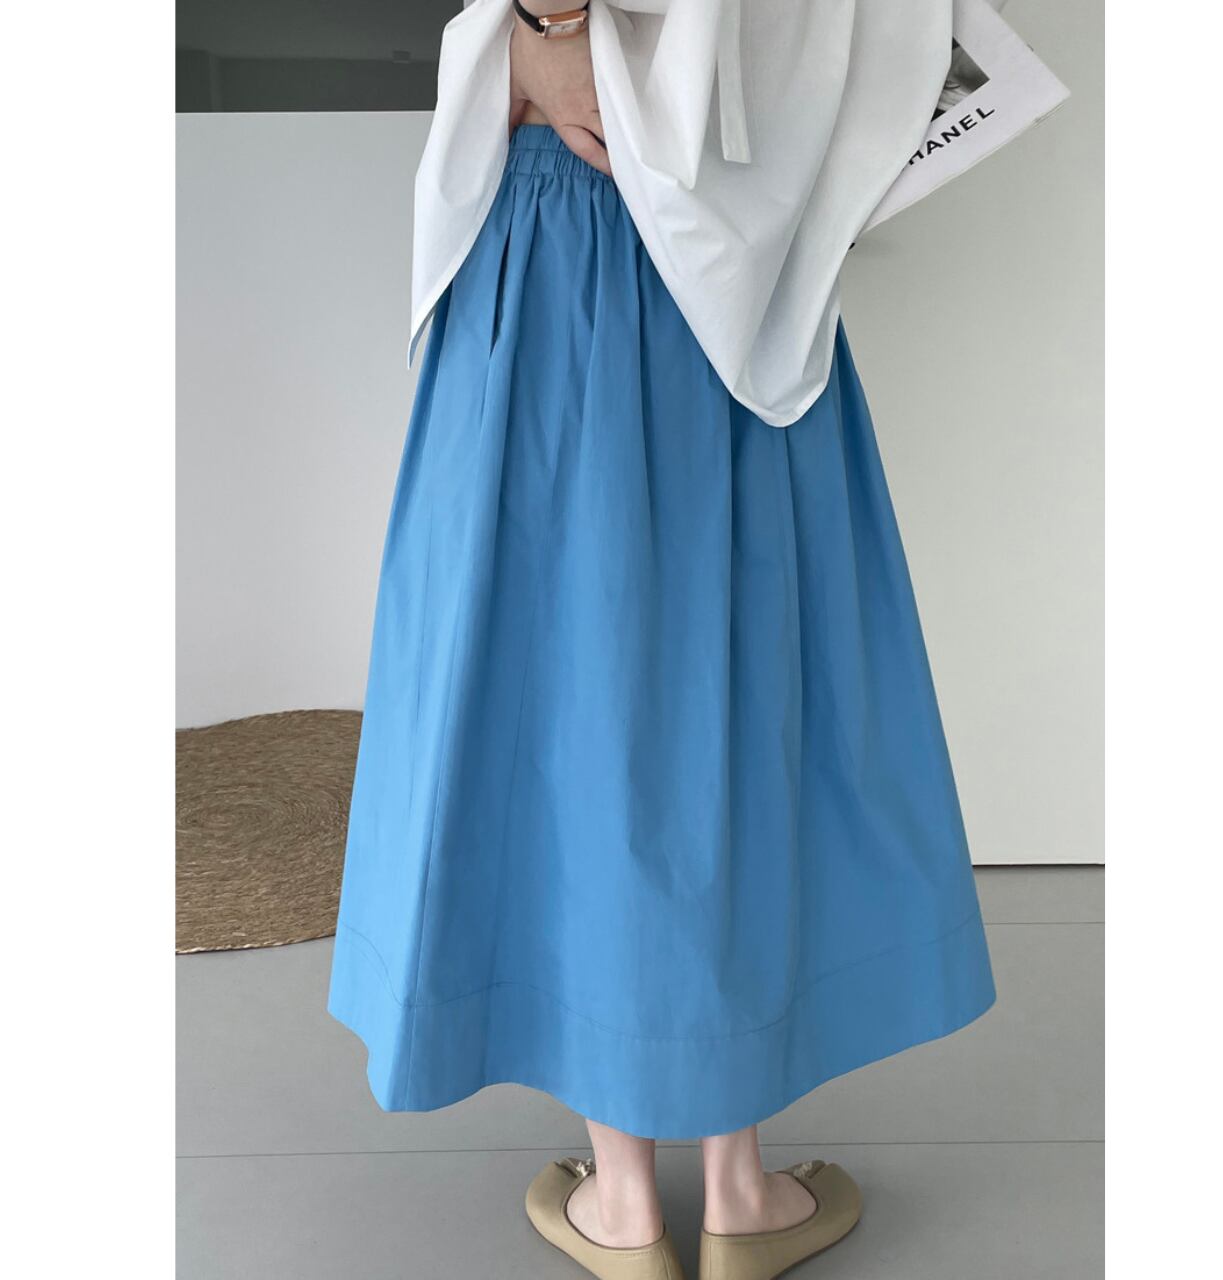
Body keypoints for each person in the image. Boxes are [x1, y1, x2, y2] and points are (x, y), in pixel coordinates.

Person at [328, 4, 997, 1278]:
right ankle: (738, 1187)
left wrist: (540, 25)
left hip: (568, 218)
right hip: (753, 228)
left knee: (576, 679)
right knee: (728, 684)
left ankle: (626, 1201)